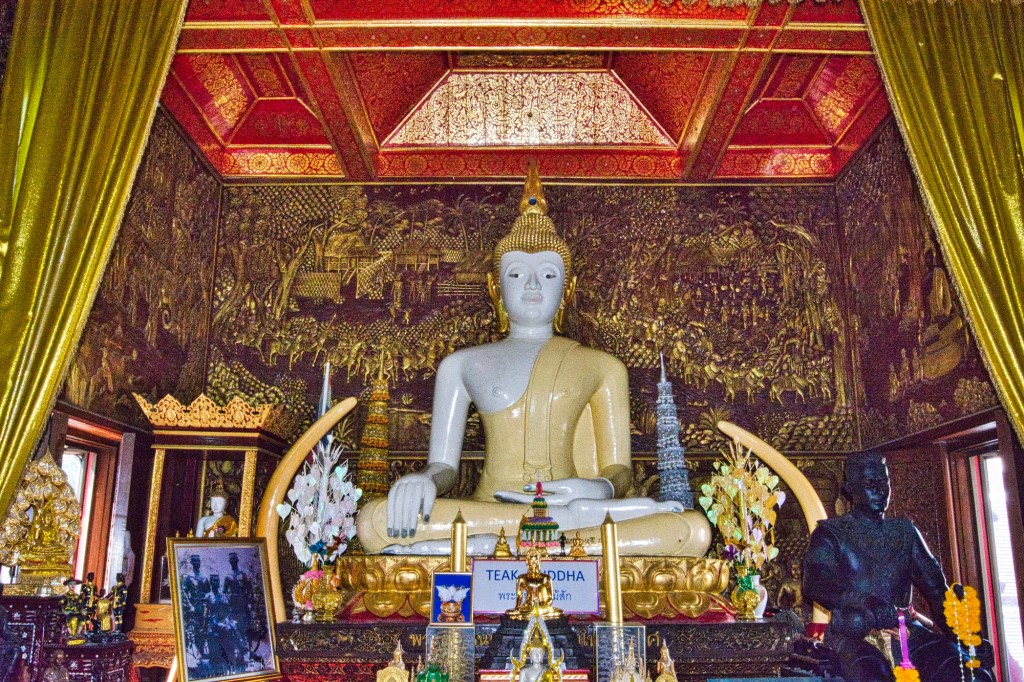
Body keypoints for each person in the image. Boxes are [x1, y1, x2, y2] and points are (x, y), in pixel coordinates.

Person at [356, 164, 710, 557]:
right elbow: (445, 467)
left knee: (692, 530)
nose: (532, 285)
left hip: (572, 510)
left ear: (567, 289)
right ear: (495, 288)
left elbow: (619, 471)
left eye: (547, 275)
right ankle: (552, 547)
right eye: (516, 274)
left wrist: (600, 488)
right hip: (493, 512)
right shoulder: (462, 365)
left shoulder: (603, 367)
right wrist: (424, 480)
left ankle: (483, 549)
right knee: (374, 521)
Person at [803, 451, 993, 682]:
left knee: (972, 676)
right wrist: (864, 601)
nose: (881, 491)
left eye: (884, 483)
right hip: (855, 635)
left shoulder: (904, 532)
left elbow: (936, 590)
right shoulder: (830, 533)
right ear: (850, 489)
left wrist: (966, 636)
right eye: (871, 484)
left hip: (906, 632)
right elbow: (814, 584)